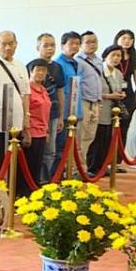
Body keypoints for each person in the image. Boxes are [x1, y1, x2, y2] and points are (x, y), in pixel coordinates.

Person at [0, 30, 30, 178]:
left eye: (11, 43)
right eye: (4, 44)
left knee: (15, 166)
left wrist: (26, 118)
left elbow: (25, 93)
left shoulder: (20, 65)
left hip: (17, 126)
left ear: (16, 45)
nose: (7, 47)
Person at [87, 45, 126, 175]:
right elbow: (93, 92)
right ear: (105, 56)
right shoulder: (98, 71)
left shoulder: (118, 73)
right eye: (113, 55)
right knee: (97, 140)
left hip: (112, 112)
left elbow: (120, 88)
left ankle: (102, 167)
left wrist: (120, 95)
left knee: (107, 140)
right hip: (99, 109)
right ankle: (92, 167)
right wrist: (110, 96)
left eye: (119, 56)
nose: (116, 58)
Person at [33, 33, 65, 182]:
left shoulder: (58, 68)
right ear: (38, 47)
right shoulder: (31, 65)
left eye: (52, 45)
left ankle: (46, 181)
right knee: (38, 151)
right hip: (35, 118)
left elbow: (60, 91)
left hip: (52, 114)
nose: (50, 48)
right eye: (46, 45)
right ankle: (36, 180)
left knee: (51, 150)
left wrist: (60, 116)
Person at [20, 60, 53, 196]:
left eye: (43, 70)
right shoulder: (27, 90)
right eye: (37, 70)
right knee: (27, 165)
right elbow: (25, 111)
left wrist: (47, 130)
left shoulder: (43, 89)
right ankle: (24, 192)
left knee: (36, 165)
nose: (40, 73)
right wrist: (26, 131)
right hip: (31, 131)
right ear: (30, 71)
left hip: (41, 132)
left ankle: (34, 190)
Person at [53, 32, 83, 176]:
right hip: (63, 112)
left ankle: (66, 172)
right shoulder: (59, 64)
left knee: (69, 146)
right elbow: (60, 90)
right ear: (63, 45)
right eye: (71, 44)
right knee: (60, 147)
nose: (75, 47)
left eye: (77, 44)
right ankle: (56, 176)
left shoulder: (75, 63)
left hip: (74, 110)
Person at [75, 31, 105, 170]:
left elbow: (98, 81)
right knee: (80, 137)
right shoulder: (78, 61)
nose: (92, 45)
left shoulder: (98, 60)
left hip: (95, 102)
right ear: (81, 44)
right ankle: (78, 169)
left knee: (90, 137)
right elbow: (77, 84)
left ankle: (83, 167)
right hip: (84, 102)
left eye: (94, 41)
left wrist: (99, 102)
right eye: (88, 42)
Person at [114, 29, 136, 148]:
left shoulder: (133, 56)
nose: (127, 41)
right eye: (124, 38)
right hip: (113, 94)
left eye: (130, 39)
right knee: (112, 128)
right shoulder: (113, 54)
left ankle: (119, 161)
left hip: (129, 95)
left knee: (125, 127)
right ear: (118, 39)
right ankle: (107, 160)